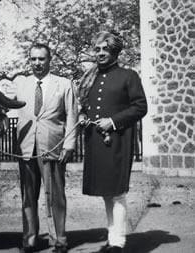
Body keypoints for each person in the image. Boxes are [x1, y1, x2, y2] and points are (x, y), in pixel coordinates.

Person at [76, 31, 148, 253]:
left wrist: (113, 121)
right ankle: (112, 237)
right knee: (106, 192)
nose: (100, 53)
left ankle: (118, 242)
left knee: (117, 192)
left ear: (114, 51)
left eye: (104, 49)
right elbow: (86, 105)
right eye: (97, 49)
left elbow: (140, 107)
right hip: (96, 141)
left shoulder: (129, 76)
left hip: (118, 140)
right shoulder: (91, 77)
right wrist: (82, 115)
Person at [14, 43, 78, 253]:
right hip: (26, 148)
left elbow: (72, 115)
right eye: (33, 59)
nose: (37, 63)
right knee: (28, 196)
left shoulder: (64, 84)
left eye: (41, 59)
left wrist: (69, 144)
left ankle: (59, 239)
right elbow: (8, 108)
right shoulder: (21, 84)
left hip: (53, 146)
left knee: (56, 196)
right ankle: (30, 239)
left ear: (49, 60)